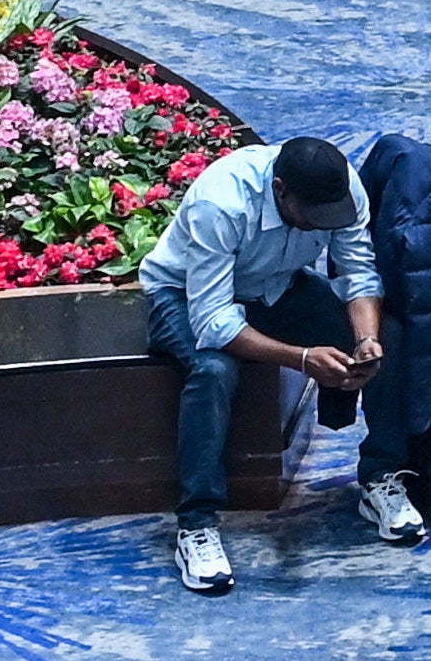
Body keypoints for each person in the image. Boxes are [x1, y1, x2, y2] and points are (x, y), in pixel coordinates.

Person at [137, 136, 373, 598]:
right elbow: (214, 322)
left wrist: (367, 340)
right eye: (313, 219)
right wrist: (302, 359)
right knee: (214, 372)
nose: (320, 227)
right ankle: (196, 525)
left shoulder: (341, 188)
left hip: (275, 285)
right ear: (280, 189)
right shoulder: (221, 202)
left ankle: (376, 469)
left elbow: (358, 273)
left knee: (365, 332)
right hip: (184, 295)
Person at [349, 129, 431, 544]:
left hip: (351, 287)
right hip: (265, 288)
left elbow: (416, 299)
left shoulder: (400, 204)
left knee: (391, 333)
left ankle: (383, 473)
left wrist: (366, 335)